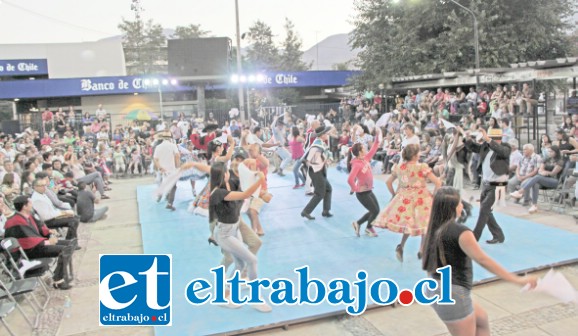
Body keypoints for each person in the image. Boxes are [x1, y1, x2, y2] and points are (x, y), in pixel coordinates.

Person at [422, 187, 537, 336]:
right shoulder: (461, 233)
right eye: (459, 204)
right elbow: (483, 260)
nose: (462, 206)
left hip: (435, 286)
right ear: (453, 208)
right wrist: (517, 280)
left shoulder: (430, 227)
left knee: (481, 319)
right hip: (452, 292)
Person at [208, 161, 271, 312]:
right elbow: (245, 194)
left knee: (241, 264)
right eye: (228, 170)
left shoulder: (229, 184)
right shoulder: (218, 192)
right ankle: (256, 299)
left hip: (234, 227)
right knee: (252, 260)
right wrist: (261, 180)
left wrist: (254, 175)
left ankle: (225, 294)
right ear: (224, 174)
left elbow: (244, 188)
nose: (231, 171)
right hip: (225, 233)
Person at [373, 144, 441, 262]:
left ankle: (401, 246)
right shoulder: (422, 166)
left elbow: (388, 182)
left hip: (405, 198)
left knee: (408, 225)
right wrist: (434, 195)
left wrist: (394, 194)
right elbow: (438, 182)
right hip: (422, 199)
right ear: (415, 155)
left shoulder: (399, 167)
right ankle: (421, 249)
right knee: (425, 223)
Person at [5, 195, 77, 290]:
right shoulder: (15, 222)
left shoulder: (28, 215)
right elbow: (28, 240)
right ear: (24, 206)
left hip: (38, 245)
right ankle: (58, 279)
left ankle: (60, 274)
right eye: (30, 203)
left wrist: (49, 231)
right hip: (29, 251)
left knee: (71, 244)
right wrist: (48, 242)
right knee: (64, 249)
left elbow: (39, 227)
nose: (32, 204)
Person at [463, 127, 510, 244]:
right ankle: (498, 235)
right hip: (485, 183)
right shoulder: (485, 146)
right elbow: (473, 147)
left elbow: (503, 152)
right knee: (486, 211)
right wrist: (466, 137)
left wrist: (489, 140)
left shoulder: (505, 148)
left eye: (494, 139)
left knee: (484, 210)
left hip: (498, 185)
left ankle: (474, 238)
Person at [347, 128, 381, 237]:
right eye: (363, 148)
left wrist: (377, 137)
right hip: (362, 193)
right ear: (360, 151)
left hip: (369, 191)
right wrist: (355, 188)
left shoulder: (365, 158)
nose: (366, 148)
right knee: (374, 211)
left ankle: (358, 223)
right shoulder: (356, 164)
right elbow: (350, 179)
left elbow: (374, 148)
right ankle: (369, 228)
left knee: (376, 210)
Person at [510, 146, 564, 214]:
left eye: (551, 151)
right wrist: (544, 172)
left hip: (554, 181)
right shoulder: (546, 159)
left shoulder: (560, 161)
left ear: (556, 152)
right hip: (543, 179)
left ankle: (520, 192)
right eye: (549, 151)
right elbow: (540, 170)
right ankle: (534, 205)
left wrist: (545, 173)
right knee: (535, 183)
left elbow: (553, 173)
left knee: (537, 177)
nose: (549, 153)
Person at [301, 126, 333, 220]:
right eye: (326, 133)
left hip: (320, 170)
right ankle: (306, 211)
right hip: (316, 171)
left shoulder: (321, 143)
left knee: (328, 189)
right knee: (320, 193)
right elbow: (307, 159)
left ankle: (325, 211)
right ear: (322, 135)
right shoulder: (316, 146)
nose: (328, 134)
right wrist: (317, 164)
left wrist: (323, 160)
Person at [153, 131, 180, 211]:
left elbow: (155, 159)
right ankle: (169, 203)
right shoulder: (172, 146)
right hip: (171, 168)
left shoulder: (158, 147)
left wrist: (160, 167)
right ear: (170, 138)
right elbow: (177, 156)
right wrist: (177, 166)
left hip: (161, 169)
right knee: (173, 186)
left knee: (162, 183)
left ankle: (160, 196)